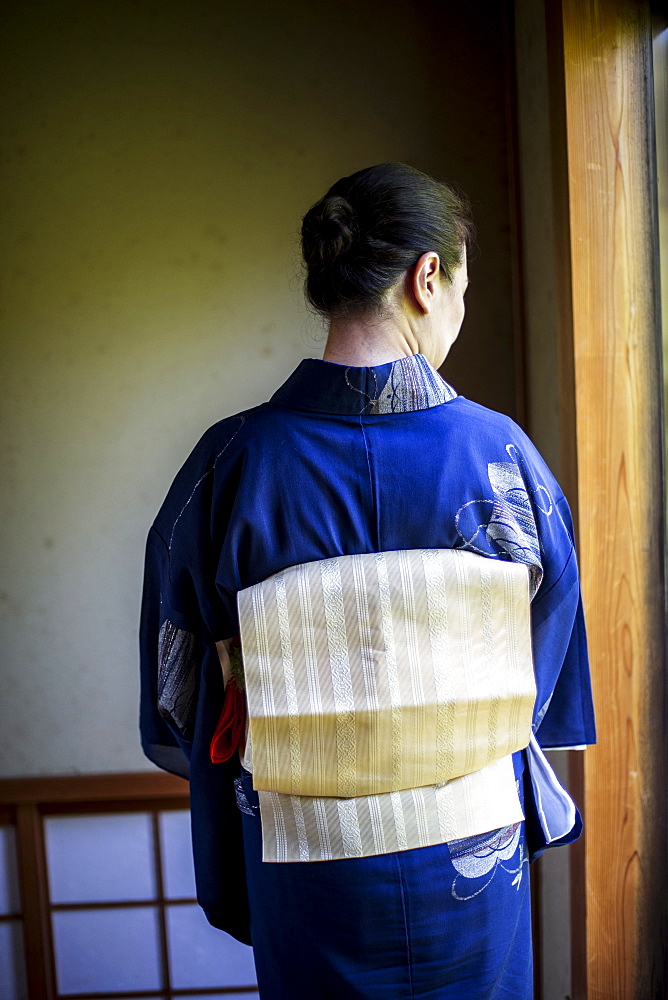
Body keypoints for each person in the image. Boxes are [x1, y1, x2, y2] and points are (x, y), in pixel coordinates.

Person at [139, 162, 596, 999]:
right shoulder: (503, 458)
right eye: (462, 283)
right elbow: (541, 669)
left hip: (306, 862)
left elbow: (180, 689)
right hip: (471, 854)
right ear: (429, 277)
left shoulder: (230, 465)